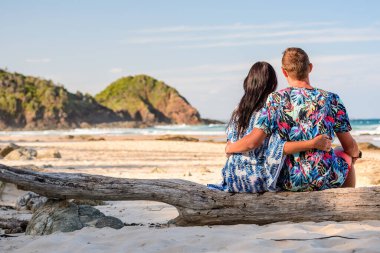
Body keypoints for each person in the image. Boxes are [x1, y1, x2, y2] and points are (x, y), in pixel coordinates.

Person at [225, 48, 361, 191]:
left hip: (288, 180)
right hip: (323, 177)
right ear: (310, 68)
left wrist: (230, 147)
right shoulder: (331, 99)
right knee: (345, 154)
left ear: (284, 72)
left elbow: (255, 140)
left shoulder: (275, 99)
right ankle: (347, 201)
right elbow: (350, 146)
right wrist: (356, 155)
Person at [207, 61, 331, 193]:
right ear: (273, 84)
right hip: (260, 179)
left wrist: (230, 148)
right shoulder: (271, 109)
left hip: (232, 178)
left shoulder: (238, 110)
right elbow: (256, 143)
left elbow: (231, 144)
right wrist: (313, 143)